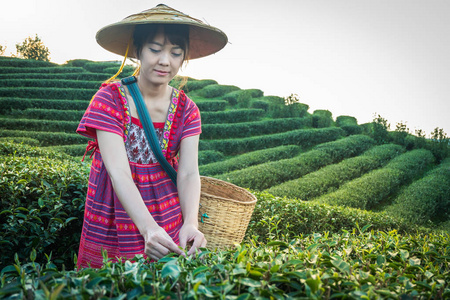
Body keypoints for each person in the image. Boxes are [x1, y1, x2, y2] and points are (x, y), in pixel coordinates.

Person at [76, 4, 227, 269]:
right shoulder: (109, 99)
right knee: (106, 282)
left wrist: (190, 222)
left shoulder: (187, 110)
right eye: (155, 50)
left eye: (176, 52)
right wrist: (148, 229)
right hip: (114, 211)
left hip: (167, 212)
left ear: (183, 58)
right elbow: (118, 172)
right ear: (137, 51)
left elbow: (190, 172)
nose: (165, 61)